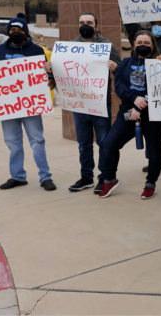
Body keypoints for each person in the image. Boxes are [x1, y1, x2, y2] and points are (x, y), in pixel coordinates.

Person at [44, 12, 121, 194]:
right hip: (78, 104)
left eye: (89, 22)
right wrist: (50, 71)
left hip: (100, 104)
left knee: (103, 142)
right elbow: (61, 75)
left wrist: (116, 68)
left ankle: (104, 178)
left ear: (97, 26)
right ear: (77, 26)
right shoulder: (69, 48)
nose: (85, 25)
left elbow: (121, 71)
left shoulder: (107, 46)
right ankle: (86, 177)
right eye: (81, 22)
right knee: (83, 143)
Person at [114, 0, 161, 175]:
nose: (158, 26)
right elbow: (129, 23)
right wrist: (123, 2)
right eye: (155, 23)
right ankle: (152, 159)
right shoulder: (141, 36)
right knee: (151, 132)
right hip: (145, 94)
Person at [0, 13, 56, 191]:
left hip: (30, 104)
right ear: (8, 32)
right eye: (13, 30)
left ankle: (45, 177)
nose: (16, 32)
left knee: (37, 141)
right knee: (13, 142)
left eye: (19, 29)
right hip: (7, 106)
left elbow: (47, 76)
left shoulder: (37, 51)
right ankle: (17, 176)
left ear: (26, 32)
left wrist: (51, 76)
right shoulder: (0, 51)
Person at [97, 31, 161, 200]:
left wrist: (142, 104)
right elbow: (120, 84)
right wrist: (134, 99)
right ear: (134, 44)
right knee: (109, 144)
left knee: (153, 150)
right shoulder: (125, 63)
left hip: (153, 116)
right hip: (129, 113)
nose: (142, 45)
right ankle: (109, 180)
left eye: (146, 42)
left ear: (152, 45)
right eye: (139, 42)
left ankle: (150, 184)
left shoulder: (160, 63)